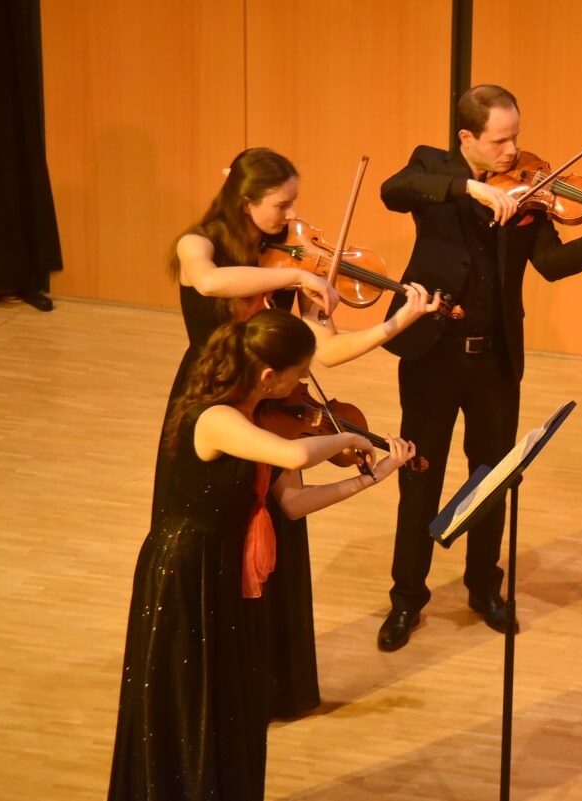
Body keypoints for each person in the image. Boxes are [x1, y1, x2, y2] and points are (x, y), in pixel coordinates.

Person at [162, 146, 439, 717]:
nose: (291, 217)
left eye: (294, 204)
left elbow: (326, 351)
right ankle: (211, 690)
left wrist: (396, 322)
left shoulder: (293, 261)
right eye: (281, 205)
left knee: (279, 534)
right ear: (246, 201)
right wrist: (292, 272)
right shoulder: (200, 244)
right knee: (216, 540)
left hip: (273, 404)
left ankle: (271, 689)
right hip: (215, 404)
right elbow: (208, 283)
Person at [375, 84, 582, 651]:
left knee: (492, 477)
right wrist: (468, 186)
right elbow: (393, 190)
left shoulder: (531, 190)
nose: (512, 150)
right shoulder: (432, 167)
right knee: (420, 477)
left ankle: (483, 587)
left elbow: (550, 263)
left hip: (494, 358)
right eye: (499, 141)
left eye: (516, 136)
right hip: (432, 356)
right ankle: (406, 599)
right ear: (466, 138)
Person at [109, 308, 415, 801]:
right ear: (269, 376)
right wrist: (350, 436)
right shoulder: (216, 418)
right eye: (299, 375)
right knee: (188, 702)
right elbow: (295, 456)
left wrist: (372, 477)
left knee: (233, 702)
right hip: (186, 571)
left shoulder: (268, 421)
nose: (303, 388)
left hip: (227, 571)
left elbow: (293, 503)